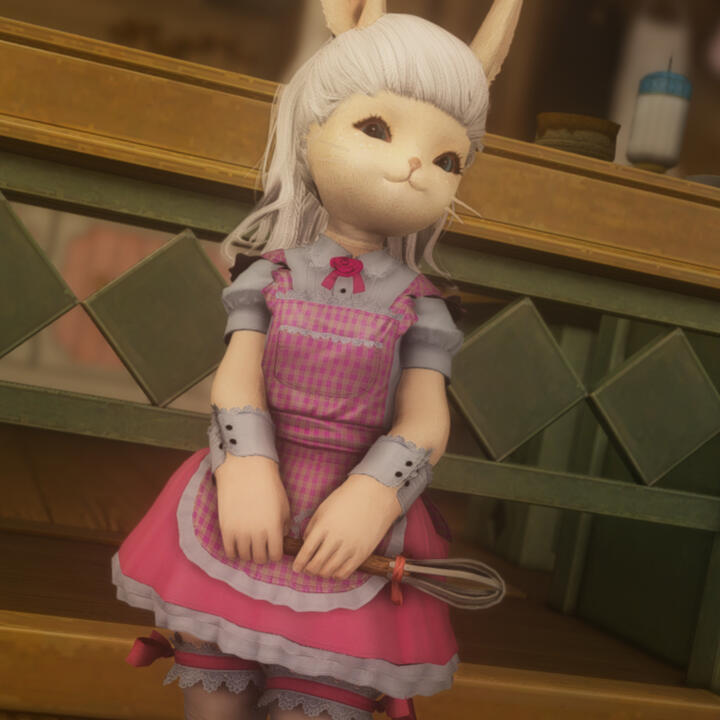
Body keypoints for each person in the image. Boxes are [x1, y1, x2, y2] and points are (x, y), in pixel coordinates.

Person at [112, 2, 522, 718]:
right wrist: (245, 464)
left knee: (323, 696)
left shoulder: (422, 304)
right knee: (213, 686)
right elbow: (237, 378)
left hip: (355, 526)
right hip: (242, 505)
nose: (415, 164)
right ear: (312, 132)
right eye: (377, 128)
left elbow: (425, 420)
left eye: (447, 159)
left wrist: (376, 494)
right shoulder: (269, 275)